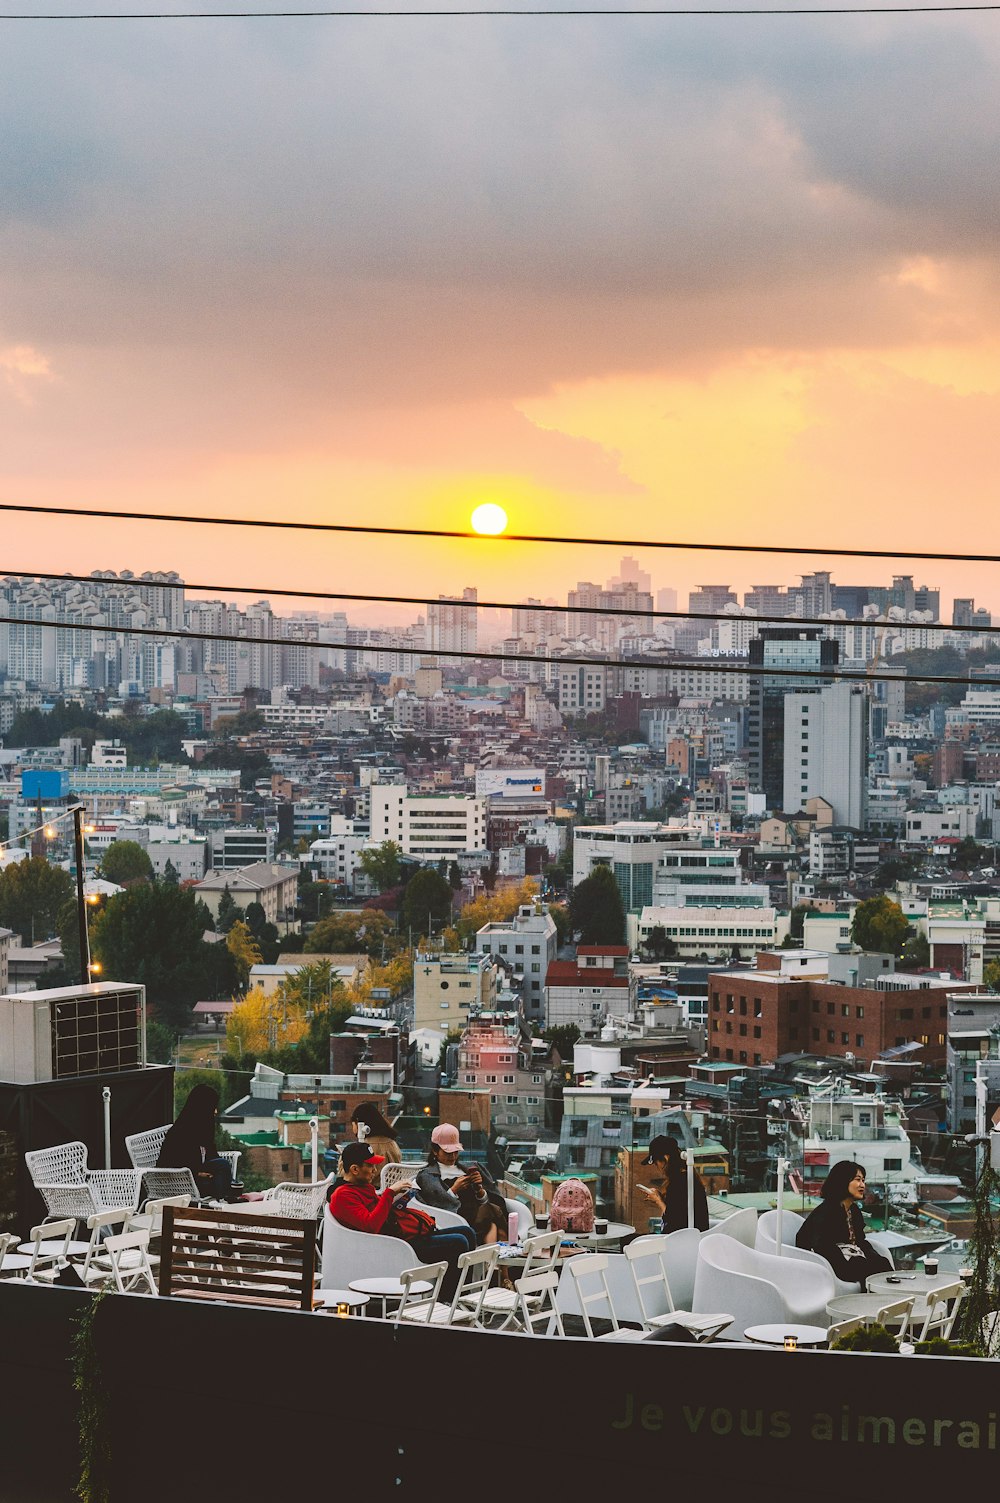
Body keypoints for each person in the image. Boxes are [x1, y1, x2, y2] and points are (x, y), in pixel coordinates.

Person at [330, 1142, 476, 1299]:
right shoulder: (343, 1196)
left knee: (467, 1232)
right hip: (392, 1246)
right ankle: (447, 1299)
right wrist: (389, 1194)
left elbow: (379, 1213)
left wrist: (400, 1198)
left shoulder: (363, 1187)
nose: (375, 1170)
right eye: (370, 1166)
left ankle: (462, 1295)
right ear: (354, 1169)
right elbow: (371, 1226)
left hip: (399, 1235)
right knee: (458, 1242)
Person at [795, 1160, 892, 1288]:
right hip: (824, 1264)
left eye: (863, 1180)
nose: (862, 1185)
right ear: (842, 1181)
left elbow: (860, 1241)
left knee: (882, 1264)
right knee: (865, 1267)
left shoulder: (854, 1210)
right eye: (857, 1180)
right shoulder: (827, 1211)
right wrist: (852, 1260)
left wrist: (874, 1258)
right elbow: (823, 1247)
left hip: (851, 1257)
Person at [416, 1123, 508, 1245]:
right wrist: (453, 1190)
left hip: (479, 1216)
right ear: (435, 1150)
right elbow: (435, 1207)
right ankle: (504, 1254)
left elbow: (486, 1199)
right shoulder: (428, 1176)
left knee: (492, 1220)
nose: (453, 1156)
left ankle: (492, 1260)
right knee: (493, 1218)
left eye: (456, 1152)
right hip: (457, 1219)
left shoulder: (469, 1168)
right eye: (448, 1153)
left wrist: (479, 1189)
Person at [158, 1082, 238, 1201]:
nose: (215, 1112)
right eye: (213, 1107)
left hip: (197, 1174)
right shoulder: (181, 1132)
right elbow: (167, 1163)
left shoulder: (201, 1128)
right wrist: (197, 1173)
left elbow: (210, 1153)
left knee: (223, 1167)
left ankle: (226, 1197)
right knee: (222, 1171)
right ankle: (223, 1200)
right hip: (182, 1181)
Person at [636, 1135, 709, 1234]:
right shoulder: (685, 1177)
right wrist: (660, 1197)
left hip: (683, 1241)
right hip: (691, 1237)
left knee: (629, 1241)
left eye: (656, 1163)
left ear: (666, 1158)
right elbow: (678, 1211)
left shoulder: (679, 1182)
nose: (657, 1167)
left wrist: (658, 1201)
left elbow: (673, 1222)